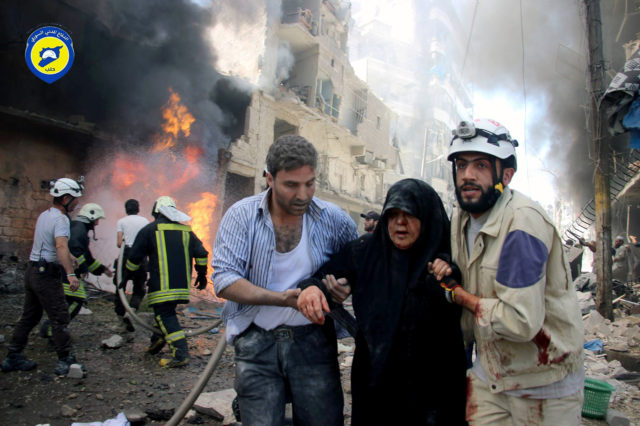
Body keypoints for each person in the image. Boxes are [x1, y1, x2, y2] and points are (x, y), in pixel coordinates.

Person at [434, 119, 584, 424]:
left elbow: (520, 322)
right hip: (491, 374)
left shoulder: (522, 225)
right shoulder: (461, 216)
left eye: (481, 166)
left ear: (507, 174)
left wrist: (461, 297)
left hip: (545, 384)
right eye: (461, 165)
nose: (467, 176)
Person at [212, 135, 357, 425]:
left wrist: (344, 287)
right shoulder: (241, 217)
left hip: (314, 343)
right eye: (291, 185)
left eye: (310, 183)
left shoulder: (334, 219)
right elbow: (224, 280)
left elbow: (356, 264)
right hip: (256, 343)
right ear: (270, 178)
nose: (303, 194)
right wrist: (283, 299)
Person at [297, 178, 467, 425]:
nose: (400, 222)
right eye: (393, 214)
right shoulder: (365, 252)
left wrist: (448, 271)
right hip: (376, 381)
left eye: (409, 214)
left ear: (427, 218)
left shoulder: (450, 256)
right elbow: (317, 279)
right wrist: (312, 290)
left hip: (434, 387)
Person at [2, 178, 86, 376]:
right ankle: (65, 361)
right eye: (75, 199)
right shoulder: (62, 219)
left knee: (30, 316)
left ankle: (12, 356)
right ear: (65, 198)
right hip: (46, 275)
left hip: (32, 271)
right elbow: (60, 246)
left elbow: (49, 244)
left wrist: (70, 258)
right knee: (60, 316)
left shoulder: (44, 215)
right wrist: (71, 274)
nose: (76, 203)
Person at [124, 195, 209, 368]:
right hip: (181, 286)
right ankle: (157, 341)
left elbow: (134, 257)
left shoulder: (150, 230)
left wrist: (126, 276)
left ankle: (181, 354)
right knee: (164, 313)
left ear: (156, 211)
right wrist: (202, 275)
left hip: (161, 286)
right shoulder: (187, 231)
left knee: (165, 315)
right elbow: (202, 253)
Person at [40, 203, 113, 338]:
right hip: (65, 273)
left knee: (68, 302)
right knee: (75, 301)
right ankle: (53, 330)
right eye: (97, 220)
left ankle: (52, 328)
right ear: (91, 217)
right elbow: (75, 249)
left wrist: (103, 270)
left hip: (64, 272)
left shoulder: (78, 228)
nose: (97, 224)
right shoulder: (79, 230)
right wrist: (83, 268)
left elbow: (87, 257)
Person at [114, 199, 149, 331]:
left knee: (120, 285)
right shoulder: (145, 221)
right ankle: (132, 310)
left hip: (126, 254)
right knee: (139, 286)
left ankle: (120, 319)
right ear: (138, 209)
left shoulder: (121, 221)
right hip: (141, 255)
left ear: (126, 209)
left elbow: (119, 243)